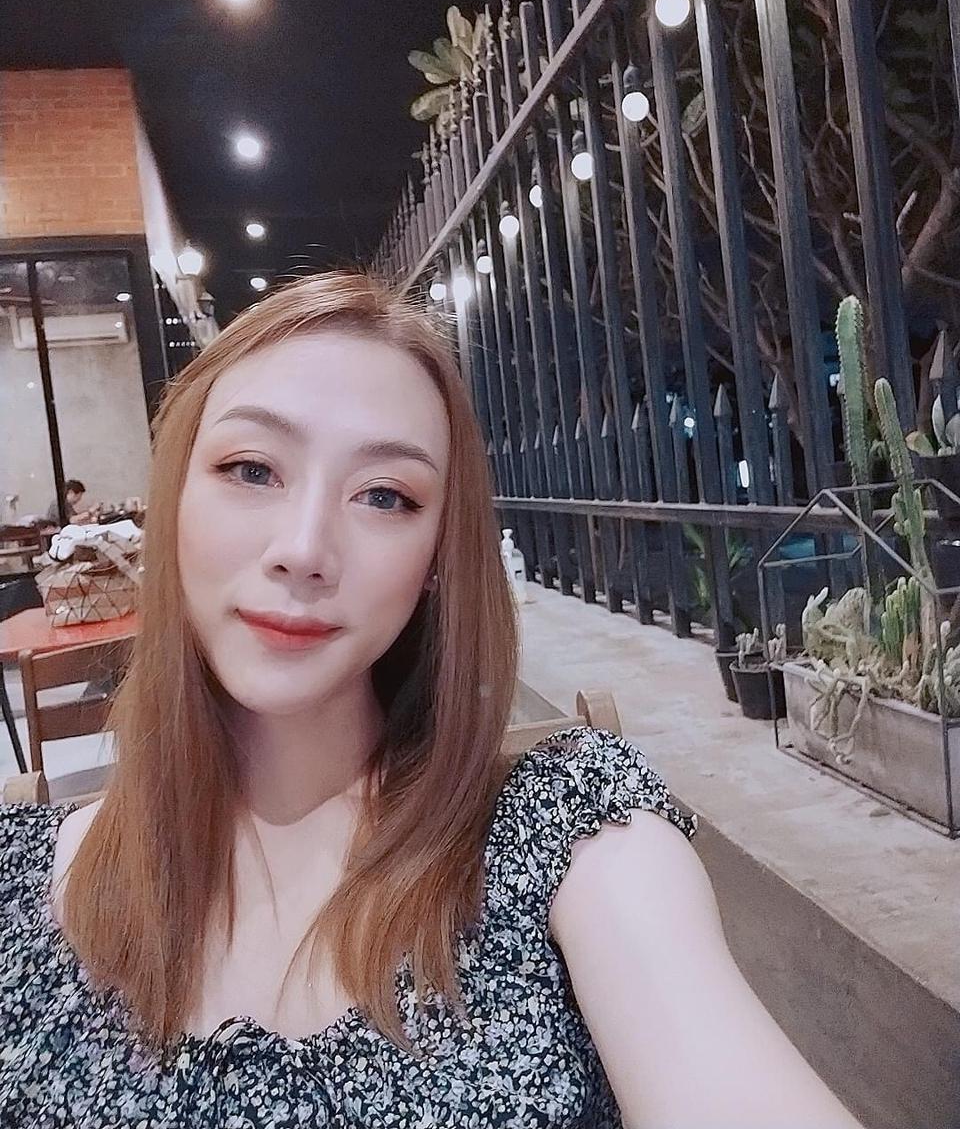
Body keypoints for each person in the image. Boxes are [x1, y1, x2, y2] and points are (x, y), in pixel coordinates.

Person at [0, 271, 864, 1127]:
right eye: (251, 469)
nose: (304, 548)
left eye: (385, 496)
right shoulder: (24, 889)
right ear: (174, 499)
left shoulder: (565, 839)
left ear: (437, 560)